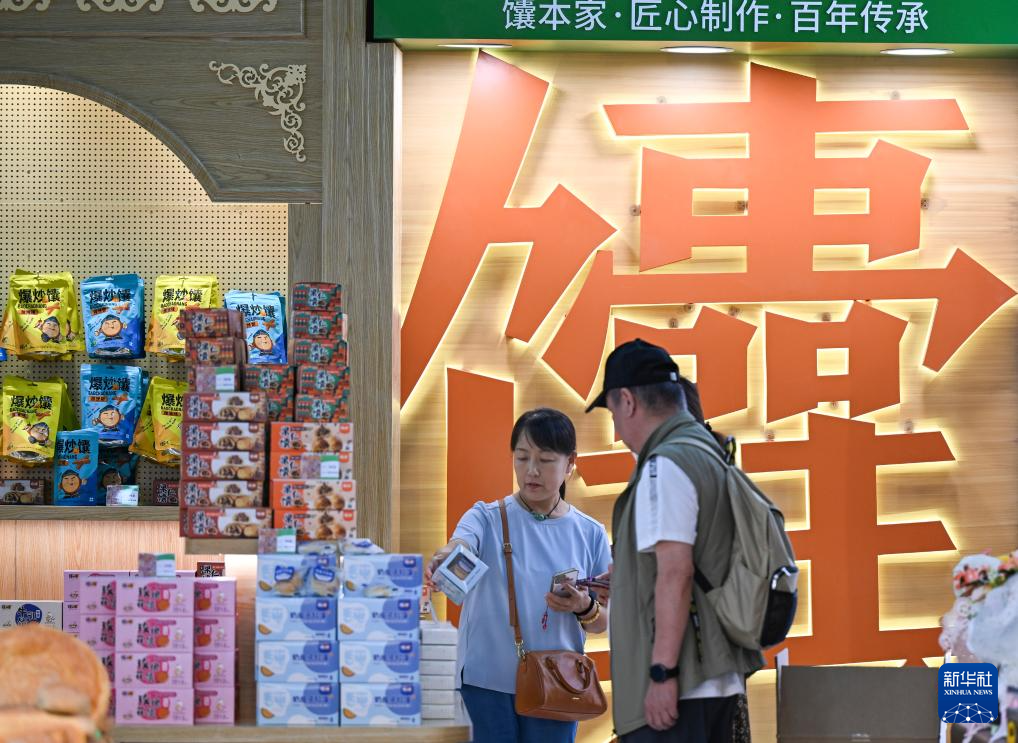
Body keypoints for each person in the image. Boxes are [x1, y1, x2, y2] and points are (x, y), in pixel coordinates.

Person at [586, 339, 763, 743]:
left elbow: (676, 573)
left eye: (613, 413)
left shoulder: (664, 464)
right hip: (716, 675)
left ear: (628, 401)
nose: (617, 429)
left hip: (683, 686)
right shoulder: (709, 451)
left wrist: (662, 673)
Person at [425, 408, 612, 743]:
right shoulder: (486, 517)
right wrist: (446, 557)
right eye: (522, 457)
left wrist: (583, 607)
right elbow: (462, 543)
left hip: (558, 683)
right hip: (486, 681)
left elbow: (602, 622)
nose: (531, 471)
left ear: (570, 463)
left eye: (545, 460)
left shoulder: (591, 533)